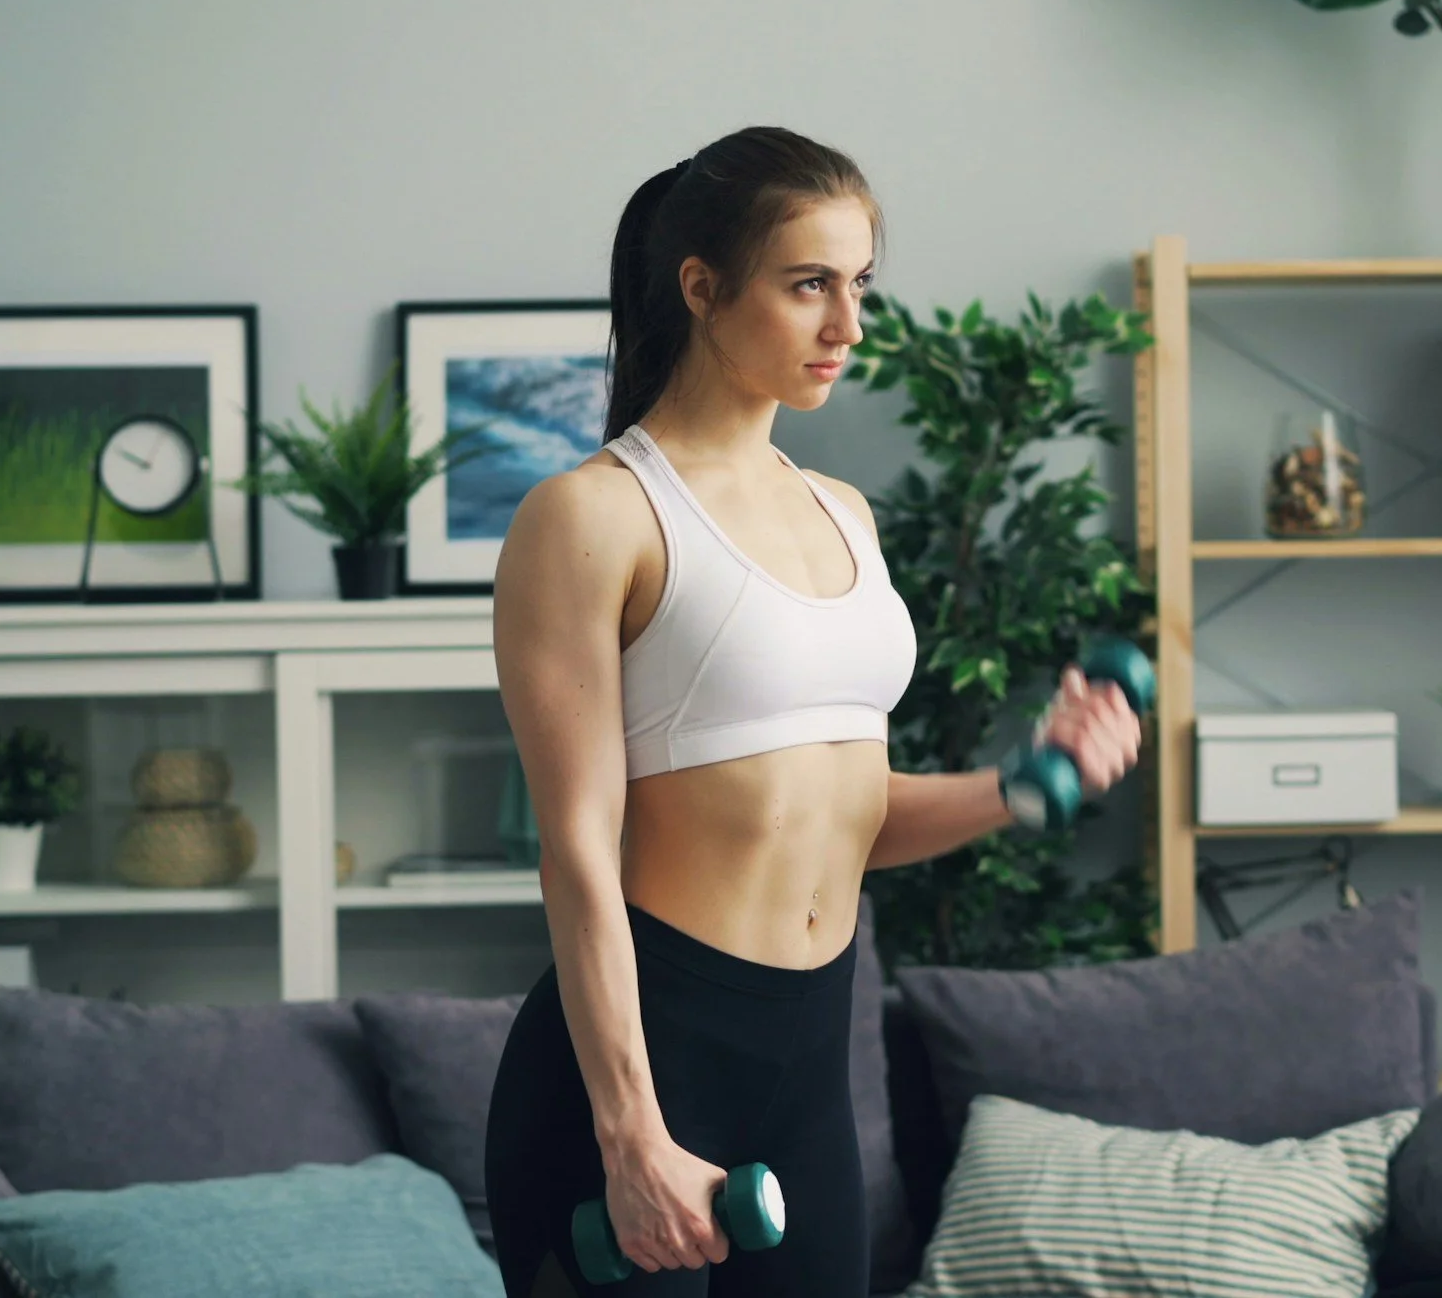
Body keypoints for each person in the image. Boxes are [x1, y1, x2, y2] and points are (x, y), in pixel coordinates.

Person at [481, 125, 1142, 1297]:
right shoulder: (593, 516)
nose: (847, 325)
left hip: (805, 1063)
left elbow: (839, 812)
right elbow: (576, 851)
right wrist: (629, 1134)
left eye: (859, 285)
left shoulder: (841, 511)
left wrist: (1020, 780)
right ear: (701, 286)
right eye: (808, 285)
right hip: (653, 1058)